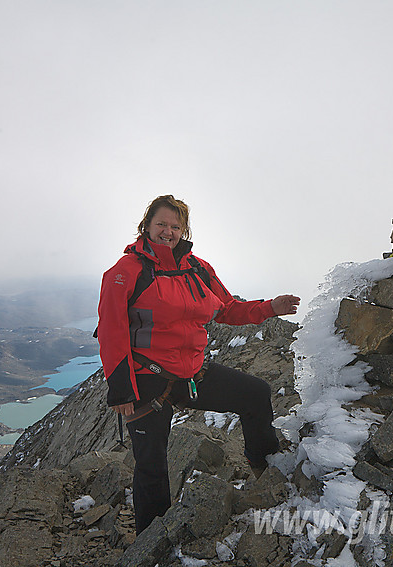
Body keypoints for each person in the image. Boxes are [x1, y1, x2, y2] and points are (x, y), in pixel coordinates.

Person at [96, 194, 300, 533]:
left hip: (192, 372)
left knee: (255, 395)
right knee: (152, 467)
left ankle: (265, 470)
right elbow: (111, 330)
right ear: (146, 226)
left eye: (176, 226)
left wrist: (270, 308)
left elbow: (228, 309)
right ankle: (153, 542)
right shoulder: (125, 272)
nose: (168, 232)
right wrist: (120, 389)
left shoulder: (198, 268)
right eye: (161, 224)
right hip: (146, 377)